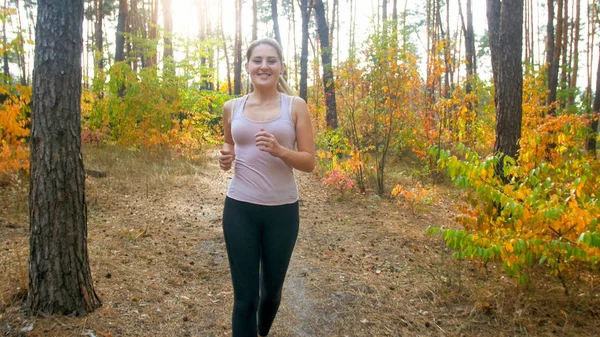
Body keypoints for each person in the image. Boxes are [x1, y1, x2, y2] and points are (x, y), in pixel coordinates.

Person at [218, 37, 315, 337]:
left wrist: (280, 151)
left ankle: (262, 331)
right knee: (245, 299)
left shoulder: (295, 106)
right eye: (257, 60)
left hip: (282, 213)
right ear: (247, 66)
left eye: (271, 60)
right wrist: (225, 157)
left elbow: (309, 162)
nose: (264, 66)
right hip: (239, 209)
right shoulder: (231, 107)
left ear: (281, 67)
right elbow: (229, 144)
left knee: (270, 292)